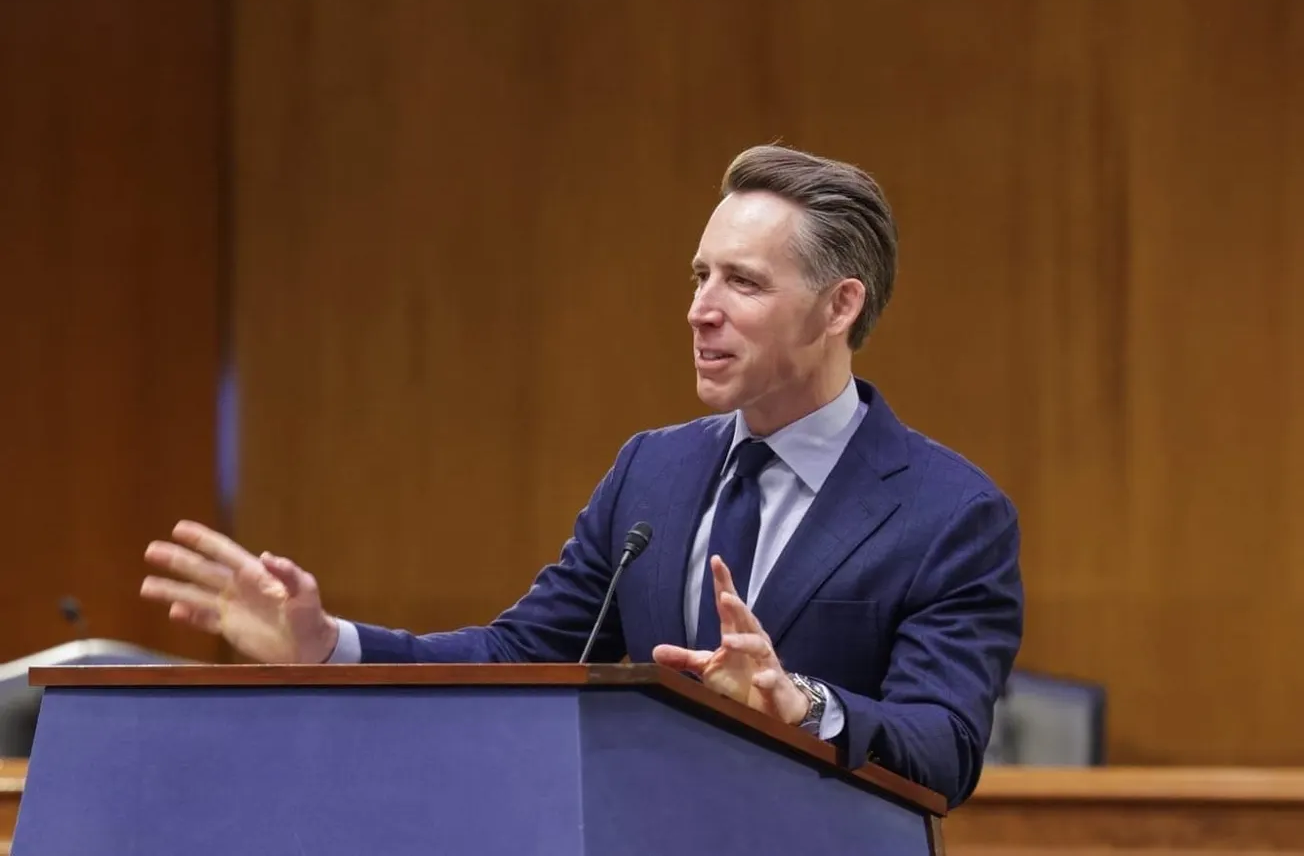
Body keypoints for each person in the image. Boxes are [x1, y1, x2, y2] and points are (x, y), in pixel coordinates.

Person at [140, 143, 1023, 808]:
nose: (700, 309)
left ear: (840, 305)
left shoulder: (949, 512)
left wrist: (801, 703)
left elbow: (942, 747)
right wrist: (329, 645)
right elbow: (515, 658)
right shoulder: (653, 470)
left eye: (743, 283)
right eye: (699, 276)